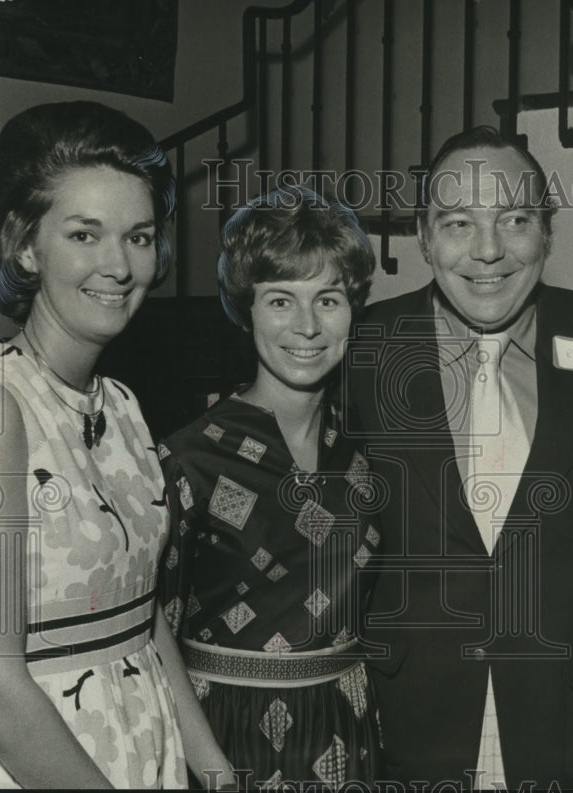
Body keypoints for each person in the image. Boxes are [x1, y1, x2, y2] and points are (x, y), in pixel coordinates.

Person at [0, 101, 234, 789]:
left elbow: (137, 607)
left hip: (136, 745)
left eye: (140, 236)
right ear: (27, 245)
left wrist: (211, 764)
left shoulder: (121, 404)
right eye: (85, 235)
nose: (118, 265)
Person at [345, 126, 573, 789]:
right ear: (424, 236)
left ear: (547, 233)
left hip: (568, 722)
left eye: (515, 220)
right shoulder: (361, 347)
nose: (489, 251)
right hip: (413, 722)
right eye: (458, 222)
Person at [156, 186, 381, 788]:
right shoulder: (189, 459)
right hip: (225, 732)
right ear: (245, 308)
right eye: (281, 300)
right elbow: (152, 632)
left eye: (327, 299)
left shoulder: (365, 448)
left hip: (347, 727)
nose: (307, 326)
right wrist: (214, 772)